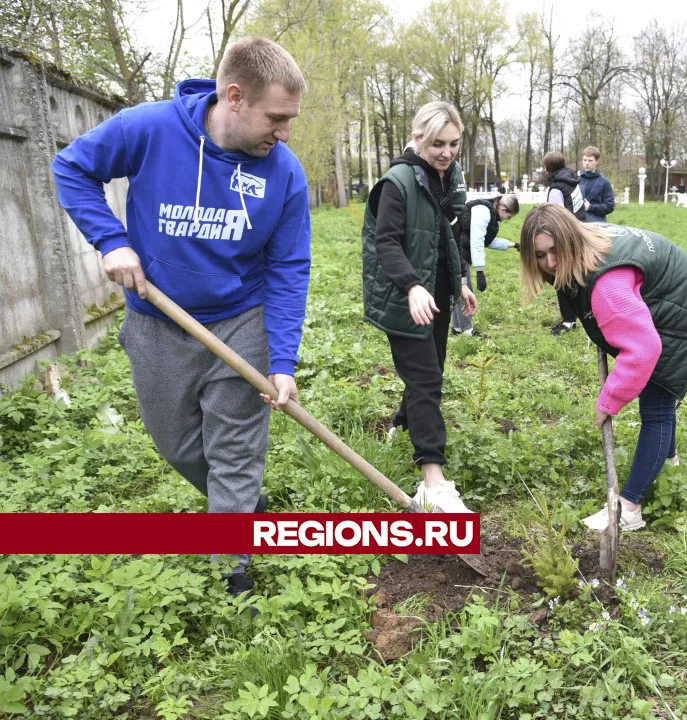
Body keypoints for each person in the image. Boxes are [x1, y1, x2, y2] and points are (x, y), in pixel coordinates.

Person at [52, 37, 312, 612]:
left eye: (291, 120)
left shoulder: (284, 174)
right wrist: (112, 241)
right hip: (159, 321)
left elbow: (290, 268)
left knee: (235, 450)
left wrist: (283, 360)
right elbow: (71, 167)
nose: (285, 133)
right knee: (176, 445)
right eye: (277, 118)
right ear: (235, 97)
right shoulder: (149, 129)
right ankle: (241, 505)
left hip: (242, 320)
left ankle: (234, 565)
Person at [518, 204, 687, 530]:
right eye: (540, 256)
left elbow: (644, 350)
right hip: (683, 293)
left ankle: (628, 508)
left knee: (656, 407)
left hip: (686, 312)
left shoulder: (606, 284)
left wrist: (609, 401)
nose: (550, 263)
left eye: (555, 251)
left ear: (570, 238)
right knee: (661, 398)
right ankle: (669, 464)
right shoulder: (589, 239)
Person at [361, 101, 477, 513]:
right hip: (406, 298)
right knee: (427, 378)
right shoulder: (398, 182)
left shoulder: (445, 179)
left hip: (437, 294)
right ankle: (433, 479)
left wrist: (461, 279)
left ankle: (401, 423)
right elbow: (386, 242)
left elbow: (448, 236)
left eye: (453, 144)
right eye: (437, 144)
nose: (446, 152)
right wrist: (411, 286)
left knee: (430, 370)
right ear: (417, 138)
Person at [451, 194, 521, 336]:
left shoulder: (491, 214)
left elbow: (487, 241)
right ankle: (467, 330)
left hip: (460, 249)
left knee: (459, 288)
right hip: (457, 250)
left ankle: (458, 328)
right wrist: (480, 271)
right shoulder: (482, 211)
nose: (507, 220)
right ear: (503, 209)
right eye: (509, 217)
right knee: (466, 289)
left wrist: (512, 245)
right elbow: (476, 241)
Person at [543, 151, 586, 335]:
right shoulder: (572, 181)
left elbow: (556, 218)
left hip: (566, 237)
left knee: (562, 279)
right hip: (580, 231)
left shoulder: (556, 189)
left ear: (547, 169)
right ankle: (579, 314)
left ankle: (569, 321)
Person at [578, 146, 616, 223]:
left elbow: (609, 206)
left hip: (597, 225)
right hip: (578, 224)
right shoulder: (576, 180)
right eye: (584, 160)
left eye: (590, 160)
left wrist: (590, 207)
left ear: (597, 161)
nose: (587, 163)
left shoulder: (604, 182)